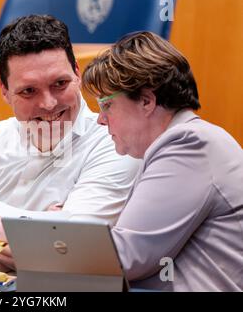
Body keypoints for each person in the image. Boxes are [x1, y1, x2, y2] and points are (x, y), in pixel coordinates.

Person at [0, 15, 140, 271]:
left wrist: (1, 230)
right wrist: (41, 231)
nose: (48, 104)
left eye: (60, 84)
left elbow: (72, 253)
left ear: (77, 73)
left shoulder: (116, 142)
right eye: (28, 91)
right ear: (4, 91)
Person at [82, 31, 243, 291]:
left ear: (146, 101)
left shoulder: (189, 145)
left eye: (107, 105)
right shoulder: (183, 142)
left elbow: (125, 257)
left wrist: (35, 239)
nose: (101, 119)